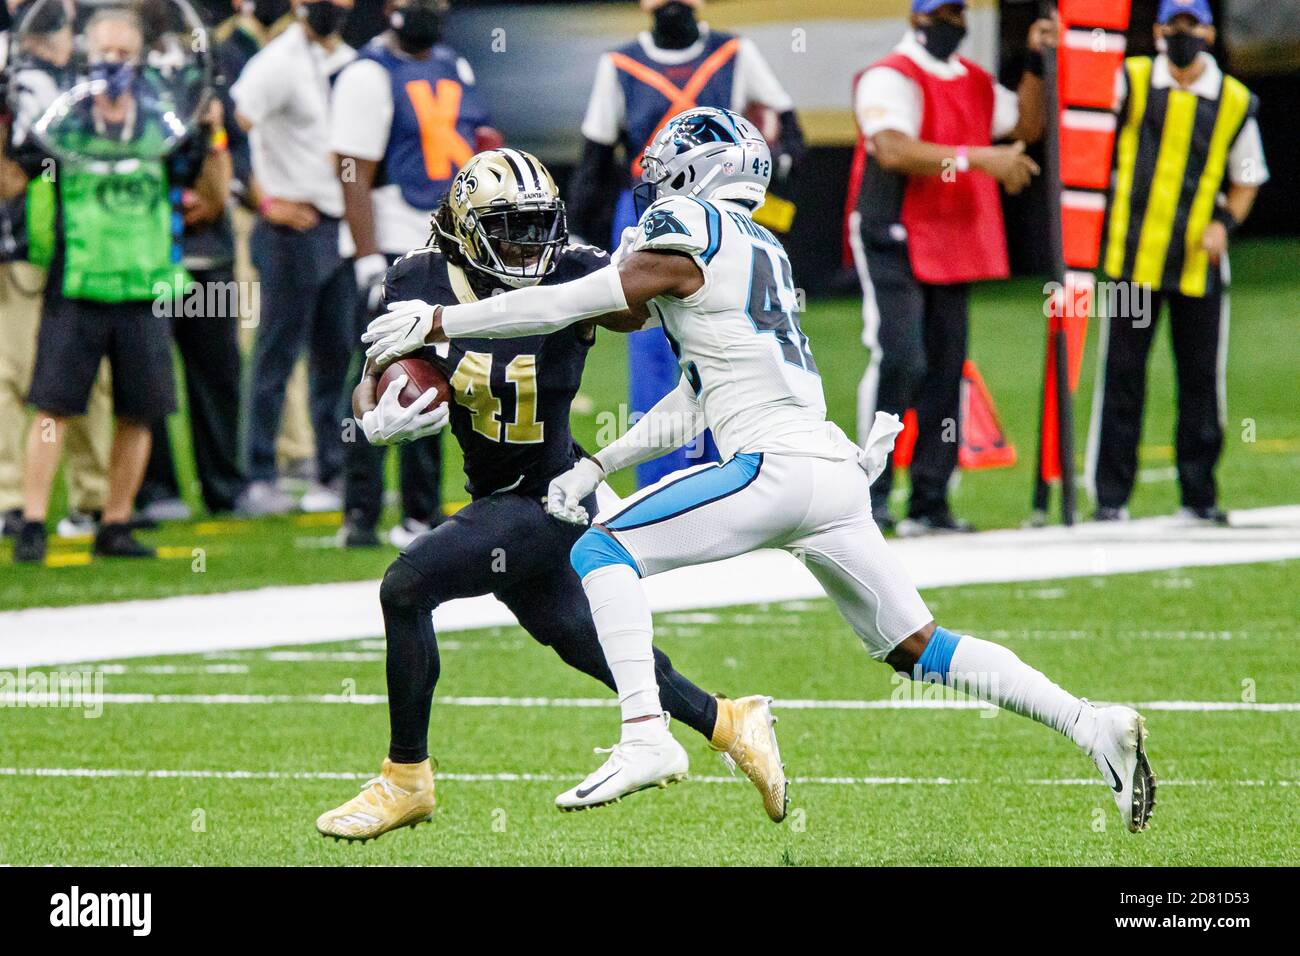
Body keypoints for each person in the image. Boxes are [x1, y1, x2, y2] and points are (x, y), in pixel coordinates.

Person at [364, 108, 1157, 833]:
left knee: (598, 551)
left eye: (672, 161)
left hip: (770, 468)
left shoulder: (686, 222)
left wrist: (439, 319)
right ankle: (1090, 722)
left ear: (701, 172)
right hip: (833, 475)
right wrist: (600, 462)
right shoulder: (762, 247)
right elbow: (696, 397)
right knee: (918, 647)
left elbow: (573, 301)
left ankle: (647, 736)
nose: (655, 176)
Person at [316, 149, 784, 841]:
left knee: (406, 587)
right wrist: (378, 408)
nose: (529, 245)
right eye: (510, 228)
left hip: (555, 496)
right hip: (499, 494)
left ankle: (405, 777)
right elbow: (373, 371)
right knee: (580, 640)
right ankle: (728, 720)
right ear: (467, 228)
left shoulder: (578, 268)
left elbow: (661, 306)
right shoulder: (416, 277)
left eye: (540, 227)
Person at [13, 7, 221, 562]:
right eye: (104, 52)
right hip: (79, 278)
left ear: (141, 58)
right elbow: (19, 170)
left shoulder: (163, 124)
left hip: (145, 281)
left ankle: (116, 521)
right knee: (53, 407)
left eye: (124, 53)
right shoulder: (64, 123)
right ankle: (32, 520)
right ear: (85, 55)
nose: (113, 63)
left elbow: (204, 183)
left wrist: (212, 125)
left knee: (139, 411)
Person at [568, 0, 804, 488]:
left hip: (723, 214)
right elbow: (595, 156)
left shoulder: (734, 52)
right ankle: (663, 486)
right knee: (653, 345)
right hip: (648, 211)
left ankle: (736, 471)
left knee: (730, 338)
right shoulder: (620, 65)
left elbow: (790, 133)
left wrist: (766, 175)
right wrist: (582, 239)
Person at [847, 0, 1053, 534]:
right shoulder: (888, 77)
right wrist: (978, 158)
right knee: (901, 357)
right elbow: (891, 149)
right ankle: (870, 490)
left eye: (958, 13)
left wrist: (1034, 61)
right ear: (916, 18)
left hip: (952, 235)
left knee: (946, 368)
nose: (951, 24)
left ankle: (931, 498)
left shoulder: (975, 81)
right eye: (942, 13)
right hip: (892, 229)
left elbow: (1025, 125)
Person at [1086, 0, 1266, 526]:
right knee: (1121, 376)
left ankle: (1198, 496)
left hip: (1196, 265)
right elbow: (1090, 119)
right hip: (1130, 260)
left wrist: (1224, 224)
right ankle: (1110, 498)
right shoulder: (1134, 79)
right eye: (1174, 25)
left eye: (1192, 25)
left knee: (1200, 379)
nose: (1182, 35)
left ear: (1208, 32)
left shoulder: (1233, 100)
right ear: (1160, 30)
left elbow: (1248, 175)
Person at [329, 0, 494, 548]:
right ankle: (360, 512)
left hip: (445, 247)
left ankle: (422, 513)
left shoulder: (455, 64)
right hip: (393, 247)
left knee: (437, 379)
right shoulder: (367, 74)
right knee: (375, 376)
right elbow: (352, 171)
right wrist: (367, 256)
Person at [231, 0, 356, 515]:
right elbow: (231, 126)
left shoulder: (340, 60)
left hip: (334, 226)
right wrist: (262, 200)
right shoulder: (277, 61)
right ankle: (258, 475)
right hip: (290, 229)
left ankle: (330, 472)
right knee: (276, 354)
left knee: (337, 355)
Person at [0, 0, 112, 541]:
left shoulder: (98, 63)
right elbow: (9, 176)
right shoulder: (10, 67)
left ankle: (94, 498)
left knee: (92, 381)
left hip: (88, 246)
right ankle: (13, 498)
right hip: (21, 242)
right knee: (16, 376)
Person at [135, 97, 247, 521]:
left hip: (209, 257)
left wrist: (216, 142)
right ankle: (156, 488)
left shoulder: (209, 83)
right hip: (149, 261)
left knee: (218, 375)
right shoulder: (136, 93)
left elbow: (242, 147)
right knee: (148, 377)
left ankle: (224, 487)